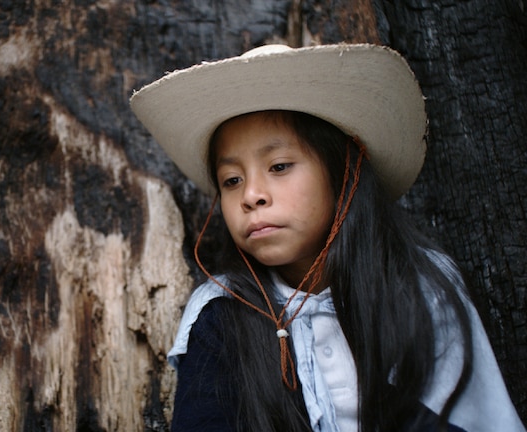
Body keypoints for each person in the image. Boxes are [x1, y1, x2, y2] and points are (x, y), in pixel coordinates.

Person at [130, 44, 525, 431]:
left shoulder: (421, 285)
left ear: (343, 173)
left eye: (279, 166)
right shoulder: (220, 314)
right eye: (232, 180)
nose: (251, 195)